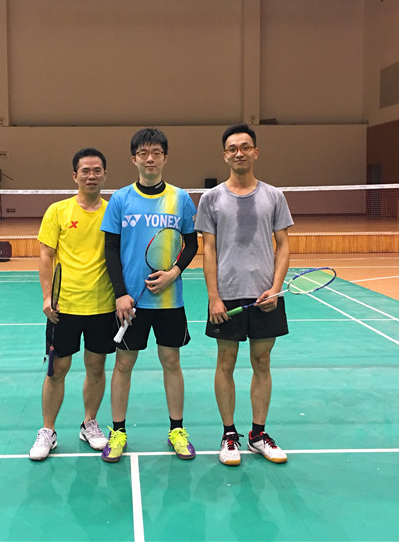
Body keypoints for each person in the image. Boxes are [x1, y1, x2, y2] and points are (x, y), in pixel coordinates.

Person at [195, 124, 293, 466]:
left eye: (245, 147)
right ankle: (228, 435)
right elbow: (207, 250)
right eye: (233, 148)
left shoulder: (274, 196)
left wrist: (276, 289)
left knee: (262, 362)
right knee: (226, 363)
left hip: (265, 295)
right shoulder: (211, 199)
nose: (239, 153)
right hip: (227, 295)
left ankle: (258, 434)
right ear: (225, 155)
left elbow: (283, 246)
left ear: (255, 152)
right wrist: (213, 296)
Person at [99, 128, 198, 463]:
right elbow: (111, 249)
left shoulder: (180, 199)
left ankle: (177, 429)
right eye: (143, 153)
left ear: (165, 157)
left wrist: (174, 272)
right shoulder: (120, 199)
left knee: (171, 361)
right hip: (131, 302)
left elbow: (191, 244)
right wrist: (120, 294)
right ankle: (118, 431)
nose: (150, 159)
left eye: (156, 152)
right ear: (134, 159)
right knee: (123, 364)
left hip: (170, 300)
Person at [29, 148, 117, 461]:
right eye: (85, 171)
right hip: (63, 307)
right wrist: (47, 296)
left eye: (97, 170)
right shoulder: (58, 211)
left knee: (96, 367)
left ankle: (89, 423)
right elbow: (46, 256)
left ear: (104, 174)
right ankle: (48, 430)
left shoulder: (114, 211)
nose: (91, 176)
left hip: (102, 305)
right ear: (74, 175)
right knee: (57, 370)